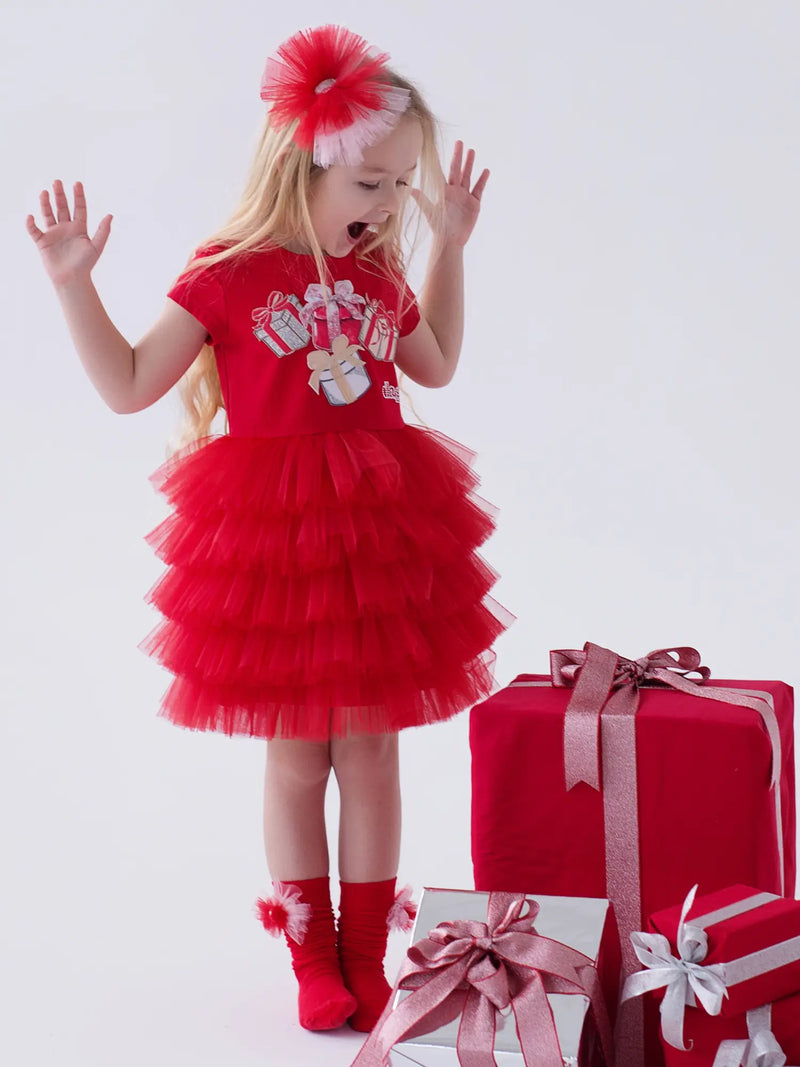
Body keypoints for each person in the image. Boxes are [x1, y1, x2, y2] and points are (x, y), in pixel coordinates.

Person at [27, 24, 509, 1036]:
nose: (386, 206)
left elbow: (436, 364)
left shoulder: (378, 275)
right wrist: (74, 282)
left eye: (397, 187)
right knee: (297, 754)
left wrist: (450, 248)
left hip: (379, 532)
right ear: (306, 167)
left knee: (371, 749)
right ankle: (311, 953)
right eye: (370, 184)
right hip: (277, 544)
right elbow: (125, 385)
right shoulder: (227, 273)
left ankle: (367, 956)